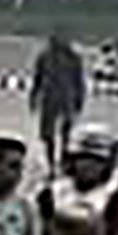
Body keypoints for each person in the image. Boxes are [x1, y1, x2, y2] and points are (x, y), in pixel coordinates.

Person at [31, 29, 91, 163]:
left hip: (65, 97)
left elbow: (79, 81)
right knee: (48, 134)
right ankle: (52, 159)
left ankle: (63, 155)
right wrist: (34, 97)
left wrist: (79, 100)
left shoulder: (73, 58)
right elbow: (38, 79)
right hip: (50, 97)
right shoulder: (45, 57)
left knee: (65, 130)